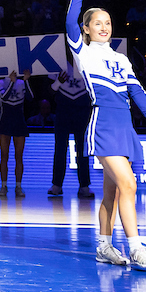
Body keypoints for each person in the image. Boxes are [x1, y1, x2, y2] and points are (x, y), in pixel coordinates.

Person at [67, 0, 146, 269]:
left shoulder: (121, 58)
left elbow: (137, 92)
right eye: (97, 23)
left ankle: (104, 246)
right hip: (104, 127)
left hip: (125, 128)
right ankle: (136, 248)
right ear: (86, 29)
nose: (104, 27)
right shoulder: (83, 52)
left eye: (108, 23)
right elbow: (69, 20)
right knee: (128, 184)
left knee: (113, 192)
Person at [48, 65, 95, 199]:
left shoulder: (86, 63)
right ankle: (57, 184)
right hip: (63, 109)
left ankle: (84, 185)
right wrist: (58, 82)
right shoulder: (57, 64)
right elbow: (49, 92)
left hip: (82, 109)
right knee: (60, 148)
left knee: (82, 148)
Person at [0, 70, 31, 197]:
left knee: (19, 156)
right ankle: (3, 186)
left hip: (19, 121)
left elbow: (30, 97)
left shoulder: (21, 83)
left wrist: (26, 81)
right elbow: (4, 98)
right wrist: (11, 82)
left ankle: (18, 186)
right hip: (5, 121)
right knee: (4, 155)